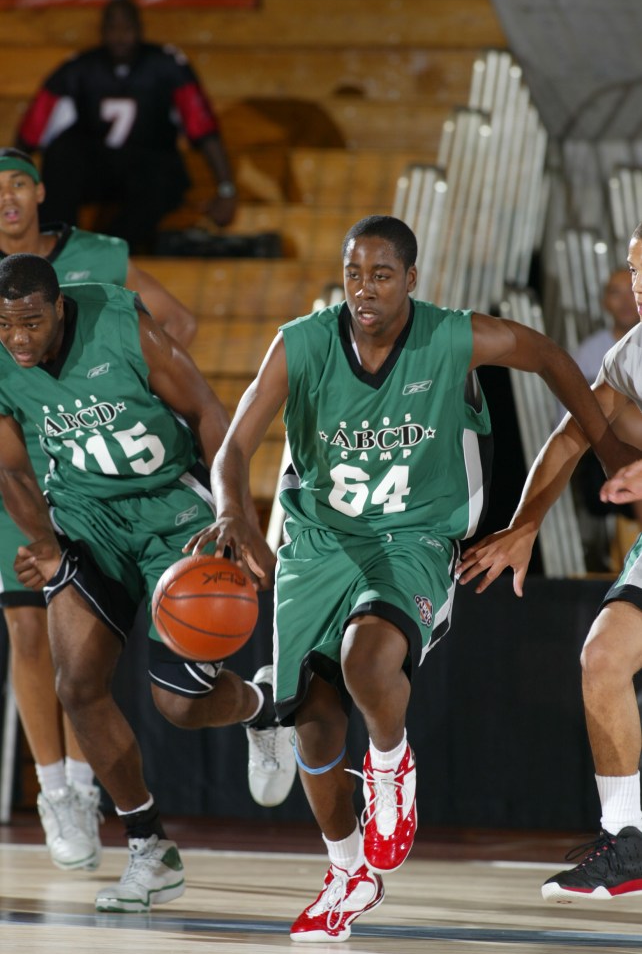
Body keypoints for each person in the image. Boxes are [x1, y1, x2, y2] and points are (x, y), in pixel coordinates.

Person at [185, 214, 634, 942]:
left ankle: (391, 765)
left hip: (414, 534)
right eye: (354, 273)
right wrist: (235, 511)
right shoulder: (302, 342)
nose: (365, 289)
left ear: (412, 280)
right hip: (318, 541)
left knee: (368, 658)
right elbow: (233, 445)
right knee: (313, 719)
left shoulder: (451, 336)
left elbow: (549, 353)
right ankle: (346, 869)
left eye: (382, 274)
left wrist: (612, 446)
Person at [0, 253, 295, 913]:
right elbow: (13, 472)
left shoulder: (117, 322)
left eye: (29, 323)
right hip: (87, 517)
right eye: (3, 325)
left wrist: (236, 514)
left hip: (173, 508)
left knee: (181, 704)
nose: (17, 338)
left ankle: (261, 705)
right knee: (75, 683)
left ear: (58, 309)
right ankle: (148, 847)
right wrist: (46, 547)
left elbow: (207, 409)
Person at [0, 146, 198, 872]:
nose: (7, 198)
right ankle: (62, 794)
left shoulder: (98, 263)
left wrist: (124, 393)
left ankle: (89, 783)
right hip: (34, 476)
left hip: (125, 478)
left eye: (18, 183)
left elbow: (179, 322)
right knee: (33, 632)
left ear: (40, 190)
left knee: (157, 673)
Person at [457, 224, 642, 903]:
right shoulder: (629, 356)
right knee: (603, 655)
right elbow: (569, 439)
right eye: (633, 270)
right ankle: (628, 840)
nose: (641, 286)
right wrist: (526, 524)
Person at [15, 0, 237, 253]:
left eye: (127, 29)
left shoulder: (168, 67)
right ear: (102, 32)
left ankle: (107, 250)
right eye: (113, 29)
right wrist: (9, 189)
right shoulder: (78, 69)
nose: (120, 37)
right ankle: (59, 247)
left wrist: (226, 188)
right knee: (61, 153)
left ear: (140, 30)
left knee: (168, 174)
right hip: (97, 169)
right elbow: (31, 135)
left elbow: (204, 130)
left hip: (147, 169)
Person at [564, 268, 642, 569]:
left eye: (631, 288)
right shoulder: (591, 353)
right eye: (615, 292)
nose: (626, 300)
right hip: (603, 457)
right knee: (623, 416)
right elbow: (574, 423)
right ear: (604, 302)